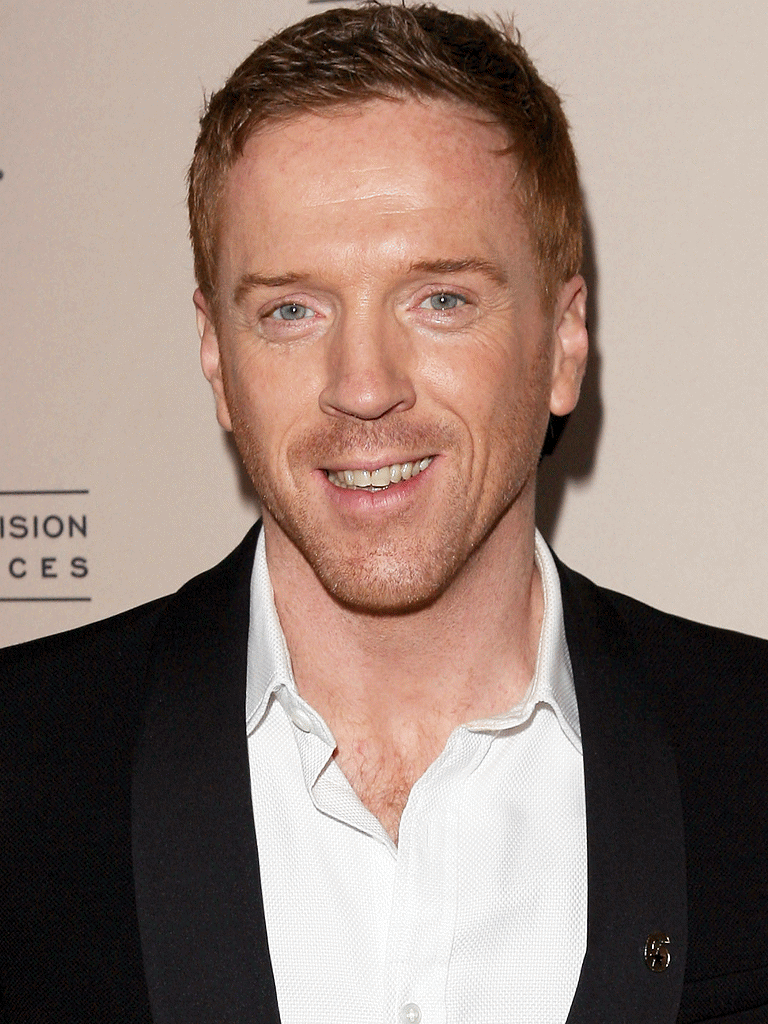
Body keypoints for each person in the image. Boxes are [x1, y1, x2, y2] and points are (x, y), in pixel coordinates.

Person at [1, 4, 766, 1022]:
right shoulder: (23, 767)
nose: (363, 386)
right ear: (216, 357)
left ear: (565, 341)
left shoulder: (749, 750)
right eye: (292, 310)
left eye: (440, 299)